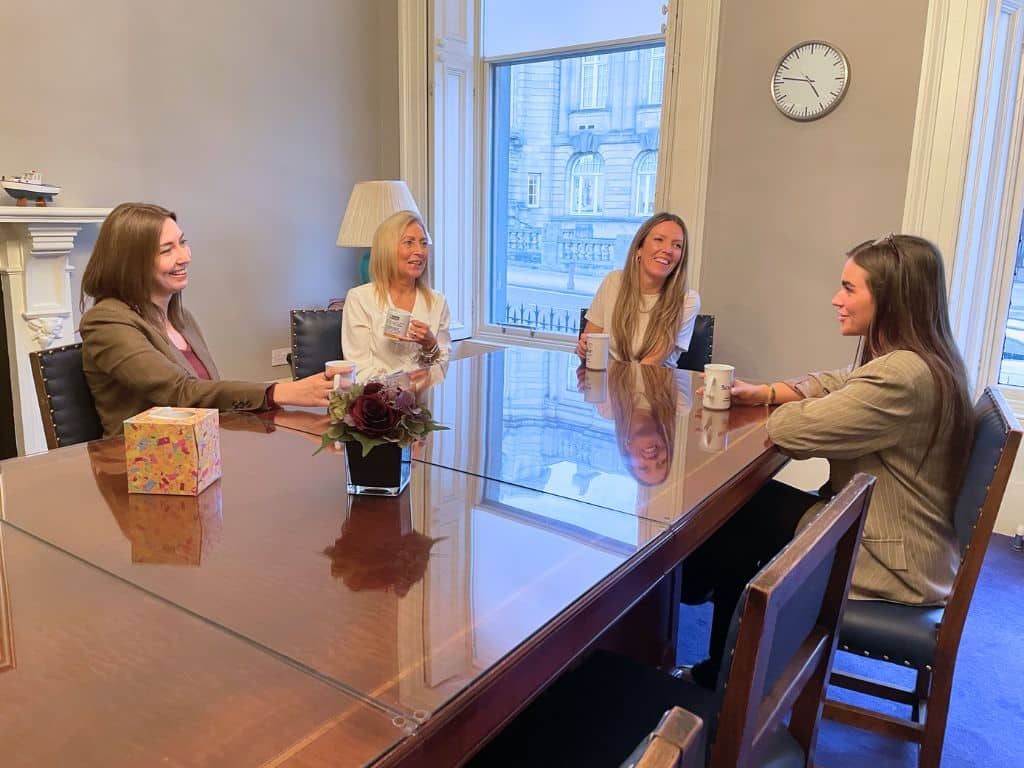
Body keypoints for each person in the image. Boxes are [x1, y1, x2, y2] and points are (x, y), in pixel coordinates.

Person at [680, 233, 974, 689]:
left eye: (850, 289)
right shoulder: (926, 360)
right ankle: (712, 636)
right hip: (904, 540)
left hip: (891, 562)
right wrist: (772, 391)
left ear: (892, 300)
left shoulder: (903, 375)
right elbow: (842, 379)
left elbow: (791, 431)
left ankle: (720, 680)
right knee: (746, 513)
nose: (836, 299)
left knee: (734, 524)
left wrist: (787, 405)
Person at [79, 202, 334, 437]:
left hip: (199, 456)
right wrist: (280, 391)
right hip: (137, 470)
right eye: (167, 250)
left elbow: (207, 395)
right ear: (130, 264)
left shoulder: (181, 318)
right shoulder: (106, 322)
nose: (184, 256)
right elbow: (180, 393)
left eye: (182, 242)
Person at [576, 212, 700, 367]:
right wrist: (584, 349)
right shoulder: (613, 281)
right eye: (659, 240)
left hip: (655, 386)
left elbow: (650, 364)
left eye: (677, 245)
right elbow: (590, 342)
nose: (668, 250)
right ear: (639, 248)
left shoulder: (687, 299)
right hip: (609, 383)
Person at [341, 210, 451, 381]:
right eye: (409, 243)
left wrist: (431, 345)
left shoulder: (438, 302)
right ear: (387, 249)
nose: (420, 251)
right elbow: (360, 371)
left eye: (423, 243)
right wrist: (404, 386)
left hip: (425, 401)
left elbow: (442, 370)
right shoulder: (360, 299)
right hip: (376, 403)